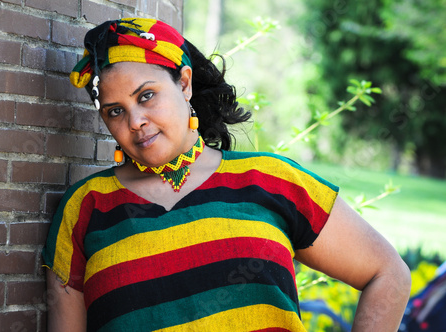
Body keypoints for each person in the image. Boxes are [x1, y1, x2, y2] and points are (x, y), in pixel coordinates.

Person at [42, 17, 411, 332]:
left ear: (184, 84)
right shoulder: (85, 207)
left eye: (147, 96)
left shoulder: (271, 180)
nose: (136, 121)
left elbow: (387, 273)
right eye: (115, 112)